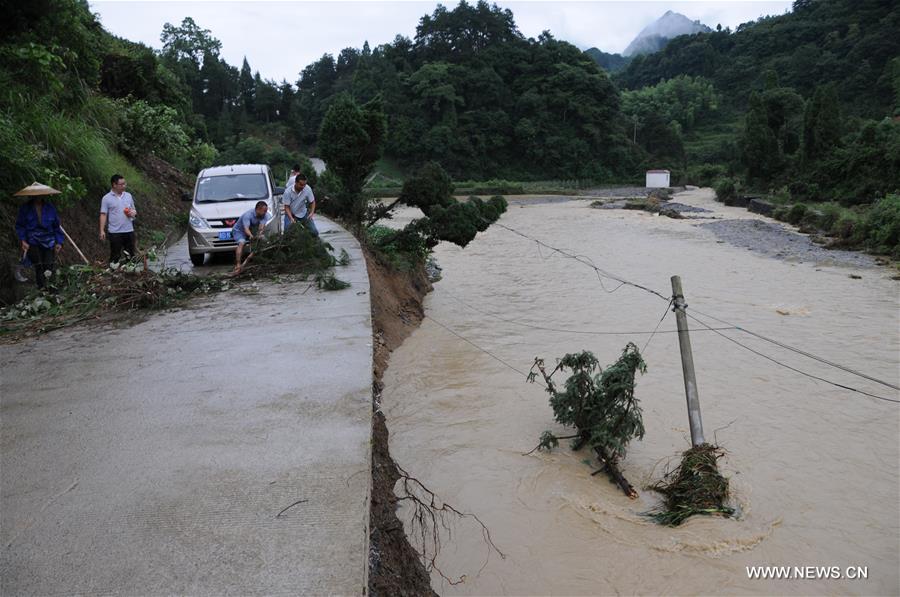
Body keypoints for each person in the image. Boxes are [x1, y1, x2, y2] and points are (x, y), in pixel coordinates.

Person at [15, 196, 65, 289]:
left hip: (49, 241)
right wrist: (23, 240)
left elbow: (56, 226)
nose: (38, 197)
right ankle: (42, 290)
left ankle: (50, 289)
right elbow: (20, 226)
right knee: (39, 266)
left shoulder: (50, 208)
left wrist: (59, 242)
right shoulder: (25, 208)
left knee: (48, 266)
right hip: (33, 241)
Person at [99, 174, 137, 264]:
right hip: (115, 232)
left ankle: (131, 270)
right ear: (114, 185)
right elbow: (103, 214)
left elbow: (134, 210)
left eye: (125, 183)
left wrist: (133, 213)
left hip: (128, 230)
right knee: (115, 255)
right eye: (121, 184)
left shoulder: (128, 196)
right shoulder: (106, 198)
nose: (124, 186)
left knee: (131, 255)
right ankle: (113, 270)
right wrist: (101, 230)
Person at [232, 201, 269, 273]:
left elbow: (261, 228)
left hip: (252, 230)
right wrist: (251, 236)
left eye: (266, 210)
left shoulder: (265, 215)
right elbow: (246, 229)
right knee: (242, 243)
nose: (266, 212)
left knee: (263, 239)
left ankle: (253, 260)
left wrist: (259, 235)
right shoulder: (247, 215)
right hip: (239, 231)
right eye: (264, 211)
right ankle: (238, 264)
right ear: (258, 209)